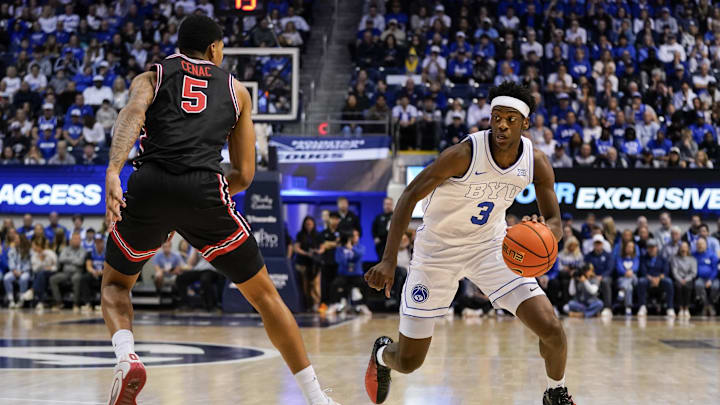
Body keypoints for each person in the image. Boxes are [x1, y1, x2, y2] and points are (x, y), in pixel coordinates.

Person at [100, 16, 338, 405]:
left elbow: (131, 114)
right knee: (266, 298)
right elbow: (244, 174)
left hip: (149, 184)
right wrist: (195, 197)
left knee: (114, 285)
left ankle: (126, 357)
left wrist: (113, 170)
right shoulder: (237, 91)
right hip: (205, 188)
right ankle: (316, 398)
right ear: (214, 48)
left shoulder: (152, 77)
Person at [364, 82, 574, 404]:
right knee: (409, 361)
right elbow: (408, 195)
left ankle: (555, 393)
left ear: (525, 123)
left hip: (490, 248)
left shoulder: (537, 162)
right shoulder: (463, 154)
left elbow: (556, 222)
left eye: (511, 119)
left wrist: (546, 231)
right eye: (496, 117)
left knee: (552, 329)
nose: (502, 124)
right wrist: (390, 259)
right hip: (437, 251)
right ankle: (382, 355)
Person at [328, 230, 369, 315]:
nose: (355, 238)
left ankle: (363, 304)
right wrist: (347, 262)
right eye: (353, 236)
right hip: (344, 275)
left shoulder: (360, 247)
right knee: (334, 284)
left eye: (356, 236)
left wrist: (351, 248)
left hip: (356, 275)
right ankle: (334, 304)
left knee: (365, 285)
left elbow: (359, 255)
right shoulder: (340, 249)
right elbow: (339, 260)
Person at [637, 239, 674, 318]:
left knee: (669, 282)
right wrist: (651, 278)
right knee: (641, 281)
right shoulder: (643, 259)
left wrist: (658, 278)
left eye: (653, 247)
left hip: (660, 279)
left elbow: (666, 271)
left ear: (657, 248)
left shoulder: (663, 259)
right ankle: (642, 307)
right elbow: (643, 271)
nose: (651, 249)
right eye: (649, 247)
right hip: (648, 278)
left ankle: (670, 307)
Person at [49, 232, 87, 311]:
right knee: (53, 279)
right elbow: (61, 259)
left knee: (76, 279)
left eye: (78, 239)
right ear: (71, 240)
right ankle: (59, 302)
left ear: (80, 241)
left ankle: (75, 304)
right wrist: (73, 260)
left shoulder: (83, 250)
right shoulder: (66, 249)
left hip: (77, 272)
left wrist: (68, 259)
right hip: (65, 273)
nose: (76, 241)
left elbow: (80, 262)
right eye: (74, 239)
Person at [294, 216, 322, 312]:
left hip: (315, 264)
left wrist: (316, 252)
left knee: (315, 286)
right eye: (307, 224)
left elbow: (322, 248)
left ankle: (316, 305)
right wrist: (306, 253)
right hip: (303, 263)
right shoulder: (300, 235)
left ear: (314, 224)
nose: (309, 226)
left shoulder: (318, 235)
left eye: (310, 224)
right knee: (305, 287)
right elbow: (296, 248)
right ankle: (307, 306)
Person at [583, 234, 614, 317]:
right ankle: (590, 306)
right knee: (585, 281)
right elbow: (586, 267)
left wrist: (601, 276)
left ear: (602, 244)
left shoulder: (608, 255)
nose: (598, 245)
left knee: (605, 282)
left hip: (605, 277)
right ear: (593, 244)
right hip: (592, 277)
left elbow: (610, 269)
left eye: (599, 243)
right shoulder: (588, 256)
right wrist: (592, 275)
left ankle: (608, 307)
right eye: (596, 243)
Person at [4, 234, 32, 308]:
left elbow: (29, 263)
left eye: (17, 239)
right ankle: (11, 300)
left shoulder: (28, 250)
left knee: (23, 278)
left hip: (25, 271)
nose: (15, 240)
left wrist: (22, 271)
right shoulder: (12, 249)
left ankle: (21, 300)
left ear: (22, 240)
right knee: (6, 278)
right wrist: (13, 270)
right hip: (14, 271)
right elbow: (10, 261)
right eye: (15, 239)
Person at [30, 236, 58, 310]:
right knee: (40, 275)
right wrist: (41, 262)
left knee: (41, 274)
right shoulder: (34, 256)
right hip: (40, 274)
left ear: (40, 246)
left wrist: (50, 268)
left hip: (51, 273)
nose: (34, 247)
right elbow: (34, 269)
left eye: (35, 245)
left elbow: (56, 267)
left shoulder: (50, 253)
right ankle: (41, 301)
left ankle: (33, 292)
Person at [692, 237, 719, 316]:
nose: (700, 246)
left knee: (716, 287)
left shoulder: (712, 254)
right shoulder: (694, 255)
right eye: (698, 244)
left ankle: (710, 304)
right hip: (700, 278)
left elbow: (715, 269)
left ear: (706, 245)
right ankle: (706, 305)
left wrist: (710, 280)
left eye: (702, 244)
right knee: (698, 285)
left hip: (712, 278)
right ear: (696, 246)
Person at [80, 233, 106, 311]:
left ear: (103, 242)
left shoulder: (107, 253)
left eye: (100, 241)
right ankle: (87, 303)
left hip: (103, 274)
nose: (98, 243)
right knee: (84, 278)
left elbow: (108, 268)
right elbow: (88, 266)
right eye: (96, 242)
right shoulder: (90, 253)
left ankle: (103, 304)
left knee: (105, 280)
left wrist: (101, 272)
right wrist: (93, 271)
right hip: (94, 273)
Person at [671, 241, 697, 319]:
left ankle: (686, 308)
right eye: (682, 247)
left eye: (685, 247)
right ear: (679, 248)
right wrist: (680, 279)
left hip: (688, 278)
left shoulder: (692, 259)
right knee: (678, 287)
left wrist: (686, 279)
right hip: (678, 278)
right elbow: (674, 271)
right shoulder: (675, 259)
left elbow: (694, 272)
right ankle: (681, 308)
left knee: (687, 287)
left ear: (688, 249)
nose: (683, 249)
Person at [616, 240, 640, 316]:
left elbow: (636, 267)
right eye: (628, 247)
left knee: (632, 277)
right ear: (624, 248)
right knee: (629, 288)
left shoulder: (636, 258)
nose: (629, 248)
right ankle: (628, 307)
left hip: (633, 278)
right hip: (622, 278)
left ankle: (622, 289)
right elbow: (619, 268)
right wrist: (625, 272)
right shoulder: (620, 258)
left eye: (631, 247)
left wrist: (630, 272)